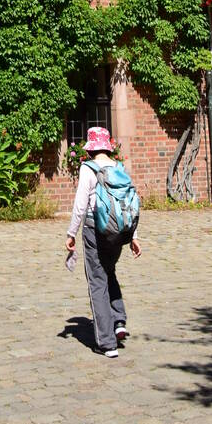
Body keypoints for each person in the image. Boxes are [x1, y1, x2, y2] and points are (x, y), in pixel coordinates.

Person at [65, 127, 141, 359]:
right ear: (108, 146)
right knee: (110, 272)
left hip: (94, 230)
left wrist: (71, 233)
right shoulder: (119, 167)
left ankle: (107, 343)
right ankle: (119, 321)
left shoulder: (88, 169)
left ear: (90, 148)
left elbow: (80, 205)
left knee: (97, 281)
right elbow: (129, 203)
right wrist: (134, 236)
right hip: (118, 232)